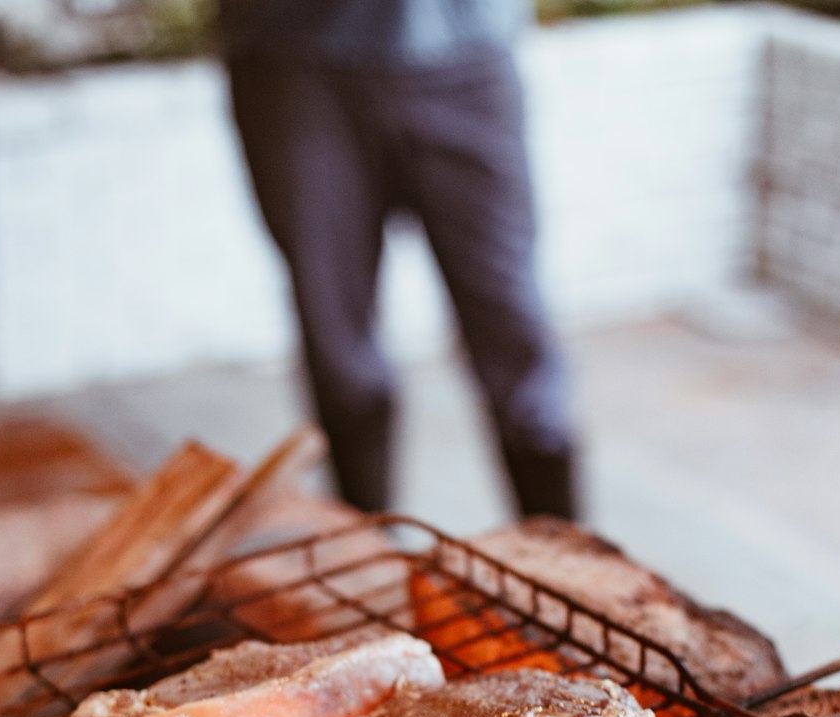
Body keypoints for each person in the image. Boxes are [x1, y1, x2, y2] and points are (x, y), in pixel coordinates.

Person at [219, 0, 579, 520]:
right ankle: (369, 560)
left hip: (466, 53)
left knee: (511, 323)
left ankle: (565, 572)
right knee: (335, 335)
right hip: (292, 60)